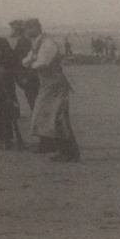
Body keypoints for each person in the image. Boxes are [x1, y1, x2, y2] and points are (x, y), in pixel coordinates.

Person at [23, 18, 79, 161]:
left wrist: (32, 61)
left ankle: (70, 153)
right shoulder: (36, 44)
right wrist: (32, 60)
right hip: (46, 84)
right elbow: (25, 61)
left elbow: (42, 63)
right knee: (46, 117)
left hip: (55, 83)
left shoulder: (47, 43)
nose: (26, 31)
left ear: (36, 27)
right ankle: (61, 150)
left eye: (29, 28)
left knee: (59, 117)